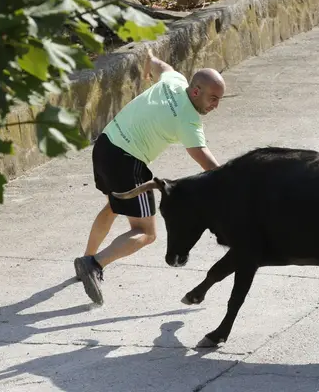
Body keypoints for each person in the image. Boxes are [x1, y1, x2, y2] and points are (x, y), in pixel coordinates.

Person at [73, 49, 225, 305]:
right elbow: (204, 160)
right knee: (146, 232)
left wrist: (149, 62)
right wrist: (233, 181)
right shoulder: (188, 120)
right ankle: (93, 264)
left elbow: (160, 66)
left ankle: (86, 258)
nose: (215, 105)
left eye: (219, 99)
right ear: (196, 91)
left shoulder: (174, 82)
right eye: (213, 98)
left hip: (105, 145)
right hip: (126, 161)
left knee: (114, 206)